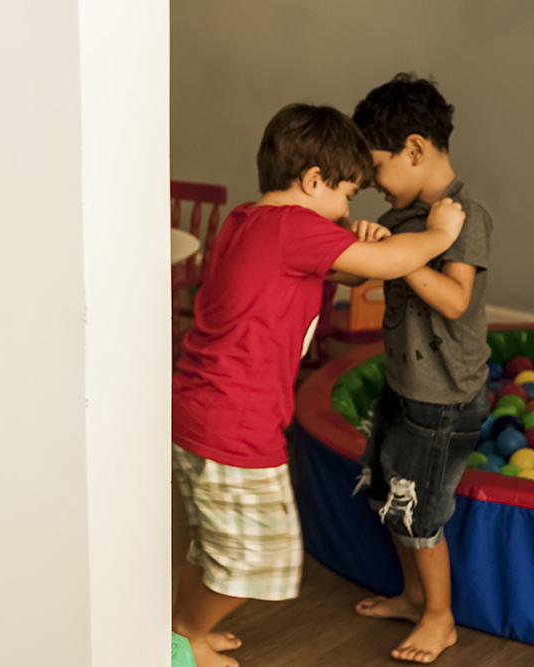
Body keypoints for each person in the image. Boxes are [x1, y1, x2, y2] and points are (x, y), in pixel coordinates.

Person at [170, 103, 466, 667]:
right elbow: (384, 265)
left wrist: (362, 241)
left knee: (212, 546)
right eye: (347, 194)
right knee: (261, 556)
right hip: (236, 425)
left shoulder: (249, 220)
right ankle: (179, 638)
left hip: (198, 412)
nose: (348, 206)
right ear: (312, 181)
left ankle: (187, 631)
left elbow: (348, 266)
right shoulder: (295, 229)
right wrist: (437, 234)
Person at [350, 73, 493, 664]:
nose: (370, 184)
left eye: (376, 166)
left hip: (444, 400)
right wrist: (371, 244)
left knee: (419, 511)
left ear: (414, 149)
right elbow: (357, 272)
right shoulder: (409, 220)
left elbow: (456, 300)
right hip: (404, 386)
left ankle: (441, 617)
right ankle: (414, 597)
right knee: (389, 494)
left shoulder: (462, 216)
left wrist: (406, 255)